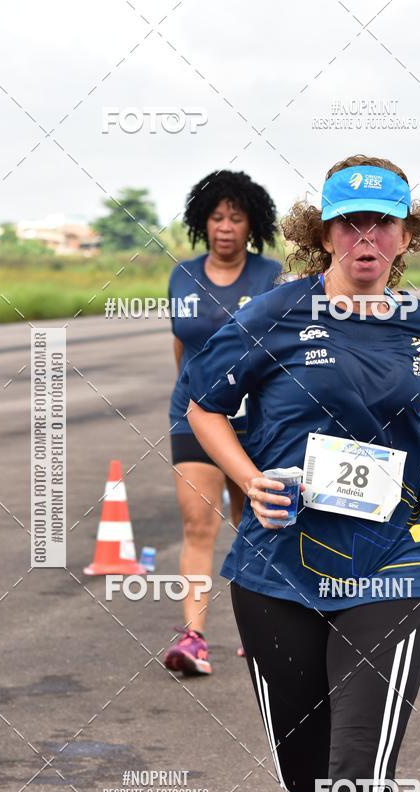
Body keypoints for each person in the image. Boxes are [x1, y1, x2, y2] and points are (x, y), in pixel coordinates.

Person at [183, 155, 420, 792]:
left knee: (361, 777)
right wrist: (248, 478)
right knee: (312, 777)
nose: (366, 237)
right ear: (324, 233)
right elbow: (202, 406)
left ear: (407, 234)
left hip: (390, 566)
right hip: (279, 571)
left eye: (383, 223)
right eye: (350, 222)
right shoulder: (275, 312)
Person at [164, 170, 282, 675]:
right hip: (195, 416)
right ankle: (193, 637)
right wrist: (197, 401)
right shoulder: (182, 275)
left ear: (251, 224)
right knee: (198, 524)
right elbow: (180, 344)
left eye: (236, 217)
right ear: (202, 223)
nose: (226, 226)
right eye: (217, 216)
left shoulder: (272, 275)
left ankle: (260, 631)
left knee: (252, 523)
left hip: (256, 422)